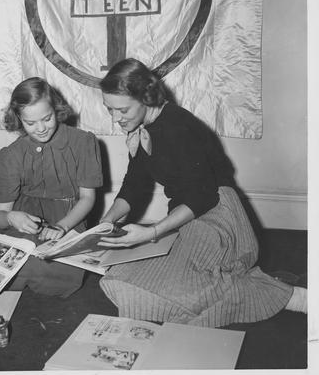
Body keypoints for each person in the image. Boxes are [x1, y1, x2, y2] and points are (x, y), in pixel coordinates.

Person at [97, 58, 307, 327]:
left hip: (218, 217)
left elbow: (203, 197)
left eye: (122, 110)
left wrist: (152, 232)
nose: (116, 118)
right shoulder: (142, 128)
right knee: (120, 275)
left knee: (193, 289)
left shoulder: (179, 128)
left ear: (146, 98)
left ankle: (290, 297)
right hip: (186, 216)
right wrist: (106, 221)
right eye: (109, 110)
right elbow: (135, 184)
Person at [0, 77, 103, 297]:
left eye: (47, 118)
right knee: (6, 270)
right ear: (18, 119)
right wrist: (11, 217)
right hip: (26, 218)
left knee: (58, 278)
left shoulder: (83, 142)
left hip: (70, 217)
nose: (41, 128)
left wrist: (62, 227)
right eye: (30, 123)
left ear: (56, 109)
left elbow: (88, 198)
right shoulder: (11, 154)